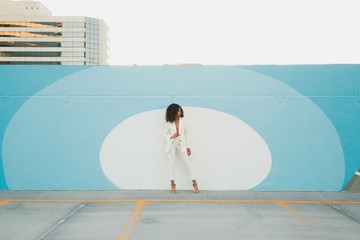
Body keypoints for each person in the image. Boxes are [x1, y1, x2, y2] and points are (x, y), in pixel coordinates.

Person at [163, 103, 199, 194]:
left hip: (181, 144)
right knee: (171, 163)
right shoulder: (169, 122)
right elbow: (163, 134)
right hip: (172, 144)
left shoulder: (184, 120)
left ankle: (194, 182)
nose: (180, 112)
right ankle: (172, 184)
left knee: (187, 163)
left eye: (180, 110)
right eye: (178, 110)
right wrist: (171, 135)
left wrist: (188, 147)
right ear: (174, 111)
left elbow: (187, 134)